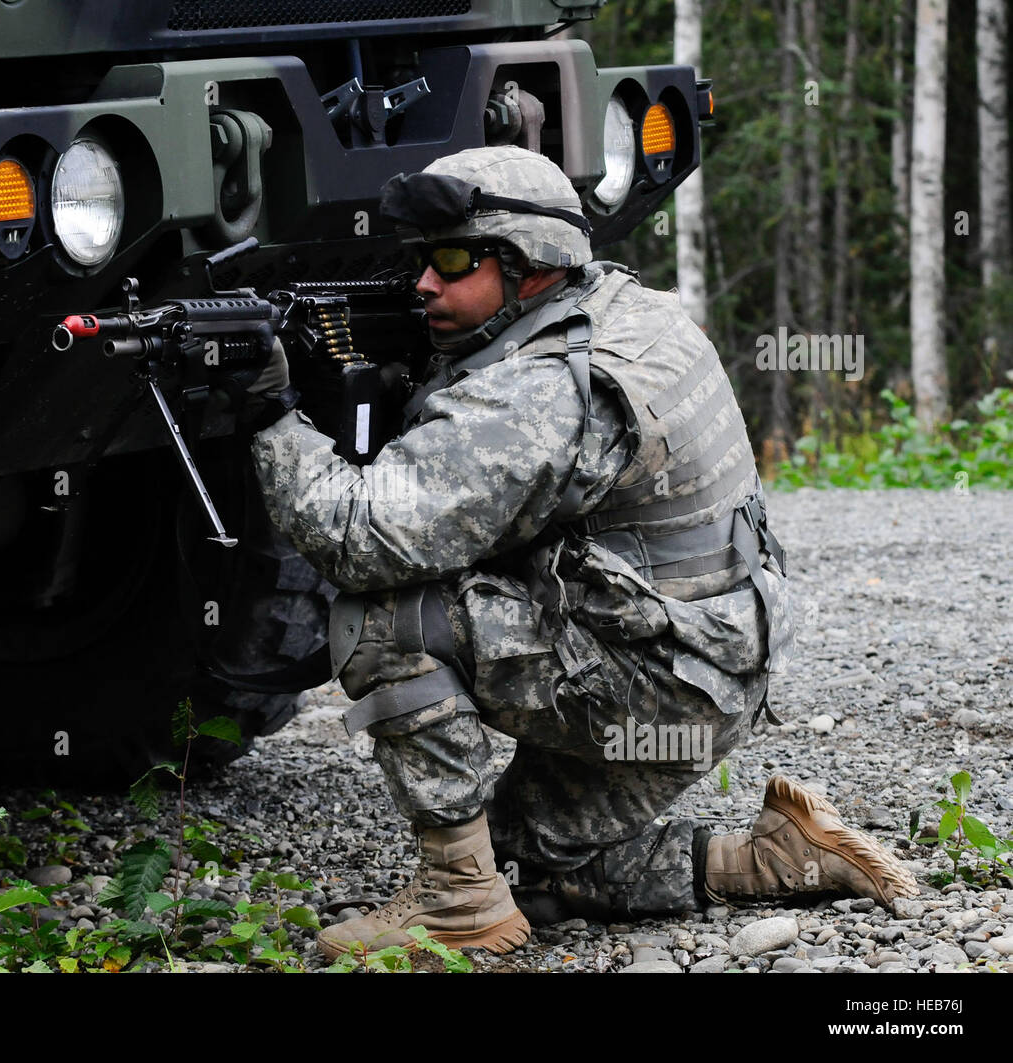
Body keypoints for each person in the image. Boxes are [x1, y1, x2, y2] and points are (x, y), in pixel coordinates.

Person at [245, 145, 917, 960]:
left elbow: (360, 532)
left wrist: (270, 412)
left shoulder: (543, 388)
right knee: (530, 867)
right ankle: (774, 855)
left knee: (384, 612)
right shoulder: (633, 310)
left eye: (453, 260)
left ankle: (458, 904)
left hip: (653, 682)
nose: (424, 284)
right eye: (421, 260)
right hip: (710, 669)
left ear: (530, 268)